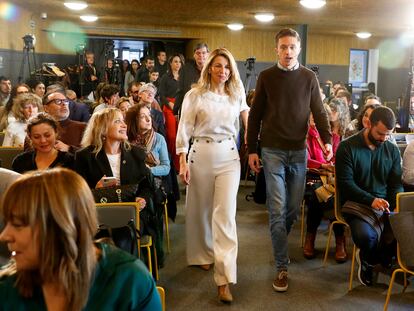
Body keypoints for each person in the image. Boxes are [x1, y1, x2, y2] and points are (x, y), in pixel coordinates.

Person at [0, 168, 162, 310]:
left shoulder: (128, 281)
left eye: (18, 225)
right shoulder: (8, 288)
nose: (4, 236)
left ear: (60, 227)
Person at [246, 28, 332, 292]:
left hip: (298, 152)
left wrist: (327, 139)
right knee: (277, 208)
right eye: (283, 47)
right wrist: (252, 149)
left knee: (292, 209)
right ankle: (282, 266)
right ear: (276, 49)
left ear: (299, 49)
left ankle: (279, 239)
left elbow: (318, 109)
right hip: (271, 150)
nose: (287, 52)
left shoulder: (309, 77)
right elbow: (256, 114)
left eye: (292, 47)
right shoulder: (266, 77)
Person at [176, 47, 249, 303]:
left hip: (229, 156)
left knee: (225, 217)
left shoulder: (235, 93)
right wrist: (182, 160)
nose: (223, 71)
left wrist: (251, 140)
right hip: (201, 153)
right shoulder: (195, 95)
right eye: (218, 66)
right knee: (199, 210)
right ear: (209, 68)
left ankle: (224, 279)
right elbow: (184, 127)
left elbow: (246, 115)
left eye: (227, 67)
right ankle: (202, 255)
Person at [336, 106, 403, 286]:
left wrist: (396, 203)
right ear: (369, 124)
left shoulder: (392, 150)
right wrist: (371, 200)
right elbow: (346, 185)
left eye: (388, 134)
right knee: (366, 237)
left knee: (404, 228)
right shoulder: (346, 147)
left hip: (384, 204)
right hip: (356, 203)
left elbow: (395, 184)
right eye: (381, 133)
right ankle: (369, 260)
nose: (384, 138)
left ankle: (377, 256)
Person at [303, 98, 349, 263]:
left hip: (332, 176)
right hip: (312, 175)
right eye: (313, 117)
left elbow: (339, 159)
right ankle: (327, 238)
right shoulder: (305, 134)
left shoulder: (333, 136)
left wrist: (332, 166)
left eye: (320, 117)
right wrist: (324, 164)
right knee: (318, 193)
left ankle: (332, 239)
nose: (316, 120)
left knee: (333, 195)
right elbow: (305, 160)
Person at [126, 104, 170, 178]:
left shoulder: (159, 138)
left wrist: (147, 170)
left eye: (149, 115)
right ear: (134, 120)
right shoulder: (126, 140)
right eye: (142, 116)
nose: (148, 119)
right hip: (132, 183)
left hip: (152, 183)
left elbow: (166, 167)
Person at [159, 54, 184, 171]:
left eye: (179, 62)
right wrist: (170, 104)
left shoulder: (184, 77)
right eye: (175, 61)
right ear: (170, 63)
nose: (177, 64)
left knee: (181, 136)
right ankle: (169, 163)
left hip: (182, 107)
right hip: (169, 106)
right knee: (172, 136)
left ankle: (180, 165)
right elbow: (161, 95)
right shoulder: (165, 77)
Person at [174, 43, 209, 116]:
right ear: (194, 55)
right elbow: (180, 90)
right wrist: (176, 110)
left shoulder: (212, 70)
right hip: (190, 109)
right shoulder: (185, 70)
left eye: (203, 53)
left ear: (208, 54)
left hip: (208, 109)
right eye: (198, 53)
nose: (201, 55)